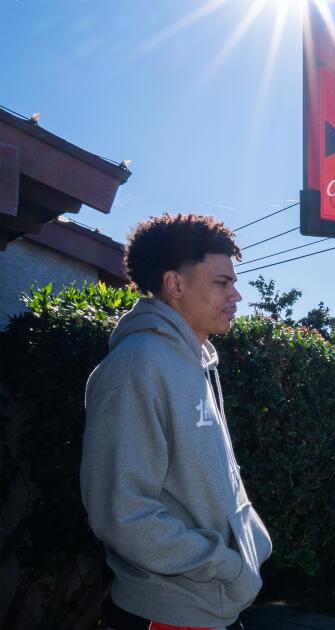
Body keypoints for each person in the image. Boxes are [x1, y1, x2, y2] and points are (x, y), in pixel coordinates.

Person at [81, 213, 272, 630]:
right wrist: (226, 565)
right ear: (175, 284)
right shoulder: (137, 366)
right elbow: (122, 513)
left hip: (212, 606)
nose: (237, 295)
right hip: (166, 613)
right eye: (222, 282)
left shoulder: (194, 362)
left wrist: (251, 544)